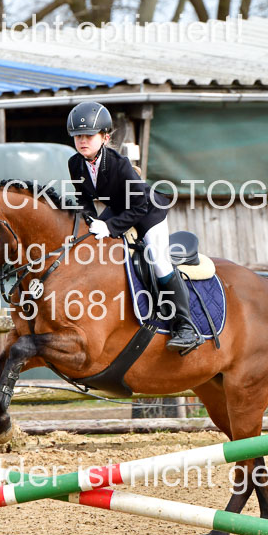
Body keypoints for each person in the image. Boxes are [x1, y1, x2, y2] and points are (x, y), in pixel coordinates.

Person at [66, 100, 202, 352]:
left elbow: (139, 207)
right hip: (118, 209)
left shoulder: (120, 165)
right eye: (77, 136)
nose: (82, 140)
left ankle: (186, 326)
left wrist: (110, 228)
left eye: (89, 135)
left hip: (148, 212)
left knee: (159, 261)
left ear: (105, 136)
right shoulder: (75, 164)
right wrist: (89, 222)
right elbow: (84, 199)